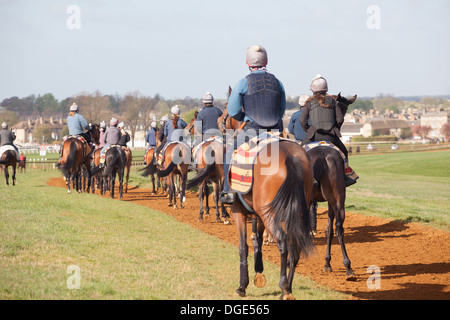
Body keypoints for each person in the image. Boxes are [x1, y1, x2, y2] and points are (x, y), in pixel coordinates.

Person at [220, 45, 286, 204]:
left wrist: (244, 117)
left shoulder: (244, 82)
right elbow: (281, 109)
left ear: (247, 62)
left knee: (229, 154)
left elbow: (233, 109)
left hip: (253, 131)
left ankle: (228, 191)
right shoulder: (277, 82)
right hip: (276, 130)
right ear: (267, 61)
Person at [300, 74, 357, 186]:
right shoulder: (333, 101)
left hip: (314, 137)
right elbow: (340, 119)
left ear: (312, 89)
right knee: (344, 152)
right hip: (331, 137)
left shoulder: (309, 103)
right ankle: (346, 176)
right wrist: (334, 127)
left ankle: (302, 178)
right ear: (326, 88)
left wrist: (309, 131)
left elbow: (302, 121)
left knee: (299, 152)